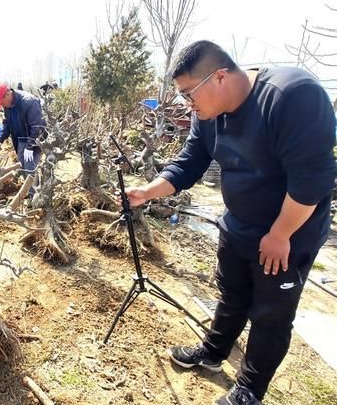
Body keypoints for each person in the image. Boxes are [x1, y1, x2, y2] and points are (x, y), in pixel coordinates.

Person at [124, 41, 336, 405]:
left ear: (219, 76)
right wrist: (148, 191)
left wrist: (280, 233)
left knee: (270, 314)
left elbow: (312, 181)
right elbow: (190, 162)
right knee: (232, 294)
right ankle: (212, 352)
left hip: (287, 234)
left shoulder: (291, 96)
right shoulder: (208, 115)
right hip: (238, 224)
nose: (187, 103)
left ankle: (250, 390)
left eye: (189, 93)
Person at [0, 84, 46, 178]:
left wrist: (30, 146)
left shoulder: (29, 102)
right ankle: (28, 189)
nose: (1, 105)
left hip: (35, 138)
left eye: (1, 103)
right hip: (21, 139)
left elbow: (37, 126)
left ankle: (33, 192)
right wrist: (0, 140)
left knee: (29, 168)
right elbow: (7, 123)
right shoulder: (8, 106)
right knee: (22, 166)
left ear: (7, 94)